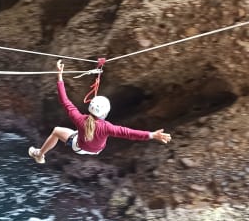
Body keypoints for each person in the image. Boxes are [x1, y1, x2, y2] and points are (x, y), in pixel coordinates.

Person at [29, 60, 172, 164]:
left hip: (79, 147)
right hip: (96, 150)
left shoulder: (79, 119)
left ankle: (40, 154)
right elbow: (129, 133)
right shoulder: (107, 127)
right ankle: (41, 154)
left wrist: (60, 76)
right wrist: (152, 135)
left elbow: (64, 101)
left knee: (56, 131)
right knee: (77, 134)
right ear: (105, 114)